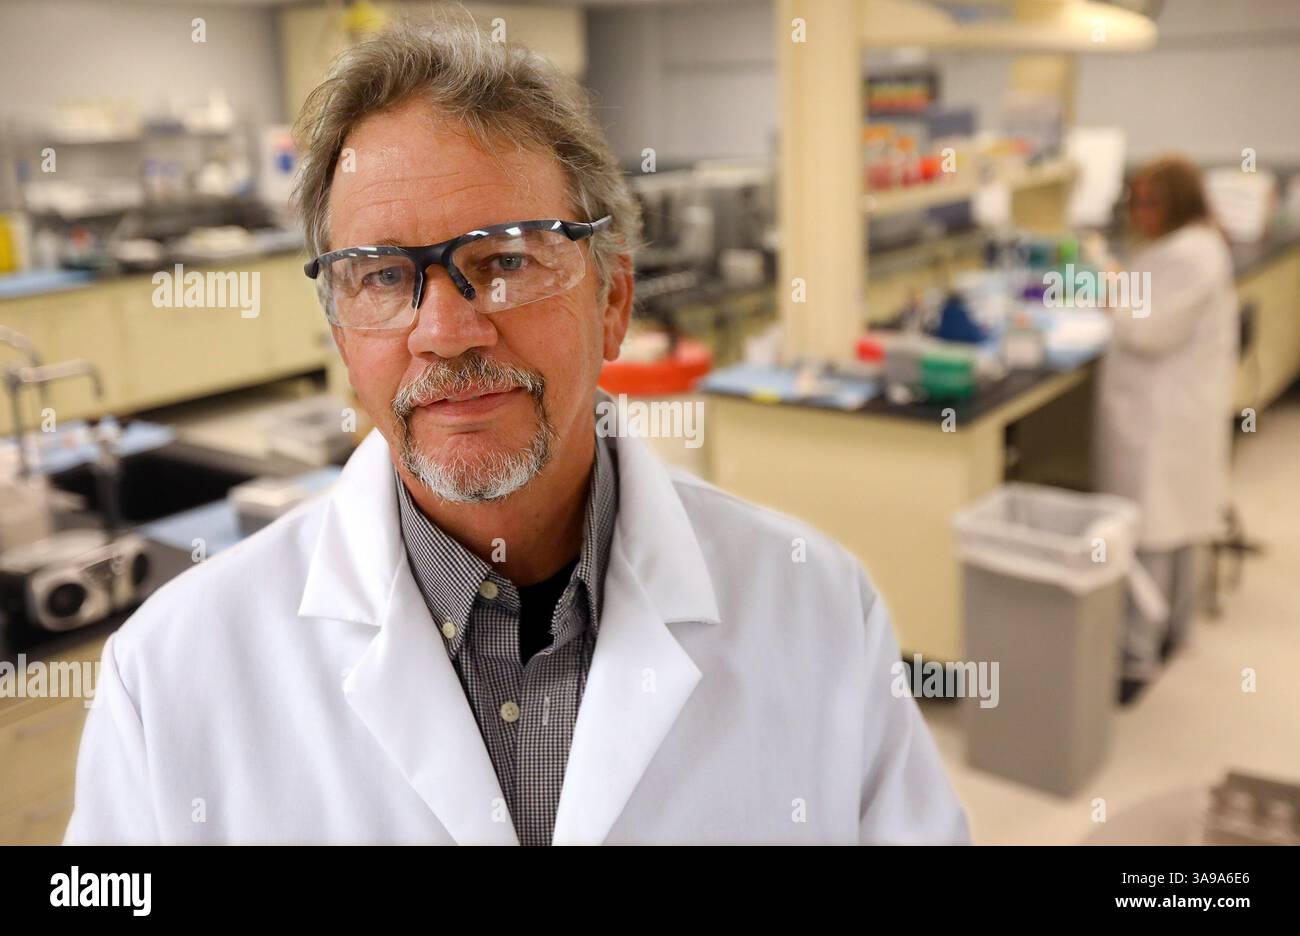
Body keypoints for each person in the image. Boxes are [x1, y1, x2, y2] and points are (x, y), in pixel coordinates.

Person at [64, 15, 968, 845]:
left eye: (502, 261)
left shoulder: (816, 609)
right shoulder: (172, 673)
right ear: (341, 330)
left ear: (612, 301)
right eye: (381, 276)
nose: (445, 332)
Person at [1092, 156, 1238, 700]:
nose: (1140, 212)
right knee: (1172, 528)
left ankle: (1136, 657)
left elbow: (1149, 330)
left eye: (1151, 201)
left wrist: (1110, 290)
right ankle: (1170, 633)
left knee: (1150, 530)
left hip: (1160, 418)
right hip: (1173, 413)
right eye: (1136, 200)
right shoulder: (1193, 245)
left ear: (1177, 202)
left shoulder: (1190, 253)